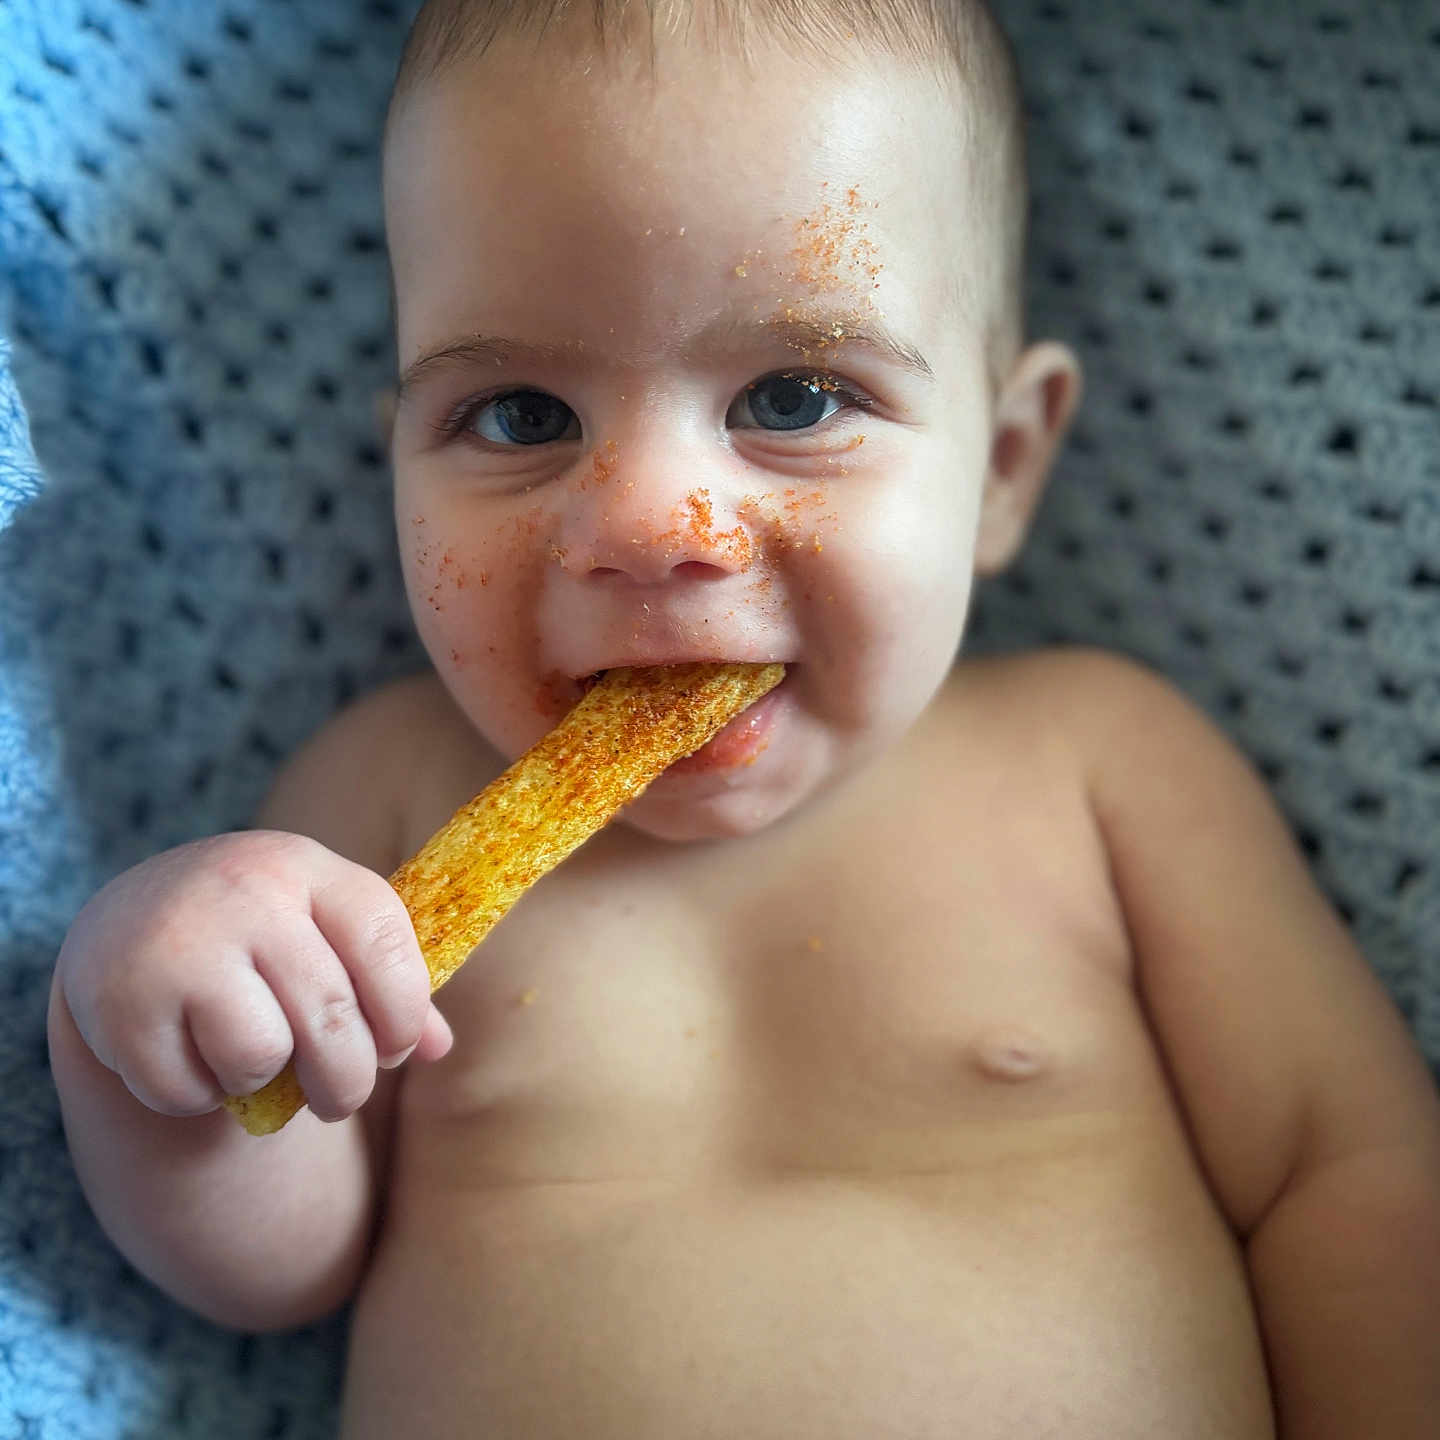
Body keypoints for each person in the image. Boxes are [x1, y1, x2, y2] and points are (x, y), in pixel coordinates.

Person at [48, 1, 1440, 1435]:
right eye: (520, 415)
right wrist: (160, 1028)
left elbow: (1347, 1175)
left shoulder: (1100, 765)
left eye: (796, 394)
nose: (657, 527)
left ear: (1006, 465)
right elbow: (279, 1267)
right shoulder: (379, 809)